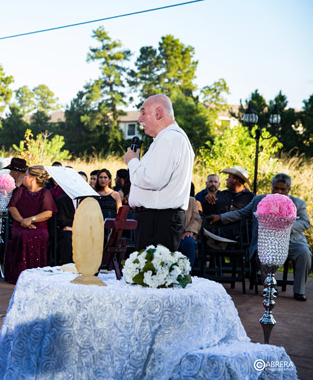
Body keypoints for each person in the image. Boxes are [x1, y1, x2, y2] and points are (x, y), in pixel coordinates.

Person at [208, 173, 311, 301]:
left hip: (292, 241)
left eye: (282, 189)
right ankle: (270, 288)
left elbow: (305, 222)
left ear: (289, 189)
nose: (278, 192)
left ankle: (299, 291)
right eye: (276, 188)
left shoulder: (298, 203)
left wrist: (285, 227)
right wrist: (221, 217)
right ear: (271, 187)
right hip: (266, 242)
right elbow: (241, 213)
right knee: (262, 253)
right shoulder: (259, 200)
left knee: (304, 252)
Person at [123, 94, 194, 251]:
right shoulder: (171, 138)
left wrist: (132, 161)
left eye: (143, 113)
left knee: (153, 266)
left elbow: (153, 180)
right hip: (157, 220)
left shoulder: (169, 138)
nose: (139, 120)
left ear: (158, 113)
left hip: (157, 221)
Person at [4, 165, 57, 284]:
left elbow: (48, 212)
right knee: (22, 235)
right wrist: (23, 221)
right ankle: (18, 273)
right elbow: (12, 207)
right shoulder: (20, 191)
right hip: (19, 225)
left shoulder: (45, 193)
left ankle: (34, 274)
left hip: (39, 226)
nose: (24, 177)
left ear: (33, 178)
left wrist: (31, 219)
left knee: (38, 235)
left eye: (26, 175)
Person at [0, 157, 28, 266]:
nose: (10, 173)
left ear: (18, 173)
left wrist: (17, 186)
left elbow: (19, 199)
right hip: (10, 210)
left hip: (23, 212)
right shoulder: (9, 182)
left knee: (7, 221)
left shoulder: (26, 184)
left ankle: (6, 253)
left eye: (12, 171)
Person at [178, 183, 202, 270]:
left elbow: (196, 219)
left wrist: (189, 231)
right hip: (169, 234)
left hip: (185, 233)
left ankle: (187, 273)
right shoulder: (166, 199)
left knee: (189, 242)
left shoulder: (191, 201)